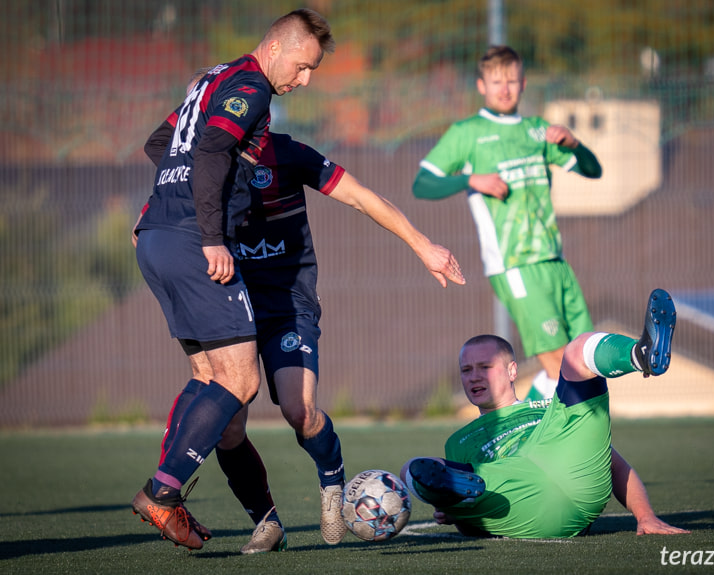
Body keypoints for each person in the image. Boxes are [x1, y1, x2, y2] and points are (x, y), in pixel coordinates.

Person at [135, 70, 466, 551]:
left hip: (287, 303)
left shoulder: (286, 154)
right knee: (228, 423)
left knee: (299, 411)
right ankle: (265, 521)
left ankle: (332, 481)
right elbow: (165, 169)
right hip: (229, 291)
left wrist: (423, 245)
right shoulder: (198, 171)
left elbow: (360, 196)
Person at [129, 9, 335, 550]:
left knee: (207, 376)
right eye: (303, 65)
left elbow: (160, 144)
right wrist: (211, 234)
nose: (304, 79)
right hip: (193, 243)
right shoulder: (251, 85)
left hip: (155, 238)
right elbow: (215, 150)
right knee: (240, 383)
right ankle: (162, 492)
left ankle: (174, 494)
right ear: (275, 48)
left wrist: (163, 203)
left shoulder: (211, 81)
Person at [402, 289, 690, 539]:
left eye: (485, 368)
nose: (475, 377)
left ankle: (641, 355)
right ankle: (449, 492)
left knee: (577, 350)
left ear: (512, 371)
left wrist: (645, 516)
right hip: (520, 496)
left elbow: (612, 462)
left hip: (572, 471)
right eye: (467, 370)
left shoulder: (547, 408)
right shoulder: (460, 441)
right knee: (415, 466)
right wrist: (458, 516)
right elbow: (470, 530)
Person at [412, 45, 603, 404]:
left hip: (555, 262)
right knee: (560, 363)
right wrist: (472, 180)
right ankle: (527, 439)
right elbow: (422, 183)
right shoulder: (467, 133)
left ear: (524, 83)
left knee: (585, 361)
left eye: (512, 81)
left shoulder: (537, 131)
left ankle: (535, 433)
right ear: (481, 85)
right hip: (515, 264)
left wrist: (575, 144)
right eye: (496, 81)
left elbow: (594, 171)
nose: (505, 88)